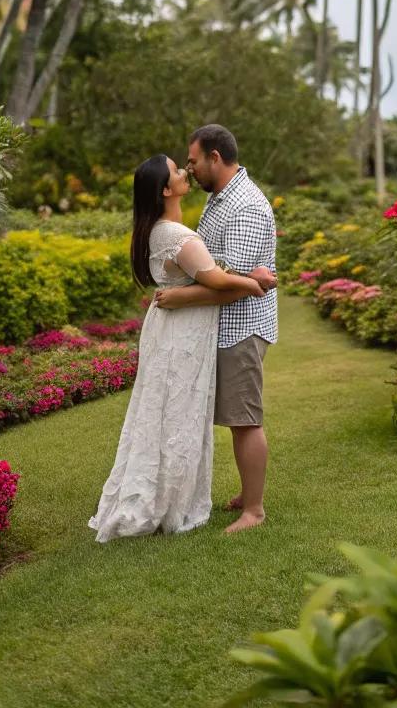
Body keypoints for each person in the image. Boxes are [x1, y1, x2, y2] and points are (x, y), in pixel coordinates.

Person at [88, 154, 275, 543]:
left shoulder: (161, 230)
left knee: (169, 414)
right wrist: (253, 283)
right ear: (165, 190)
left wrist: (192, 292)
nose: (185, 171)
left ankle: (180, 494)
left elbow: (208, 274)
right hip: (182, 334)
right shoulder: (175, 234)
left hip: (176, 331)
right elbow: (216, 279)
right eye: (177, 169)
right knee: (177, 416)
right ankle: (173, 500)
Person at [154, 123, 276, 533]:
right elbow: (223, 267)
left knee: (245, 419)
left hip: (241, 327)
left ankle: (254, 510)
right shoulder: (221, 196)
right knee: (235, 416)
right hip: (221, 325)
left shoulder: (246, 206)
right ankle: (247, 492)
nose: (188, 169)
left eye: (193, 161)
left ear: (215, 157)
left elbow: (231, 283)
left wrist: (179, 297)